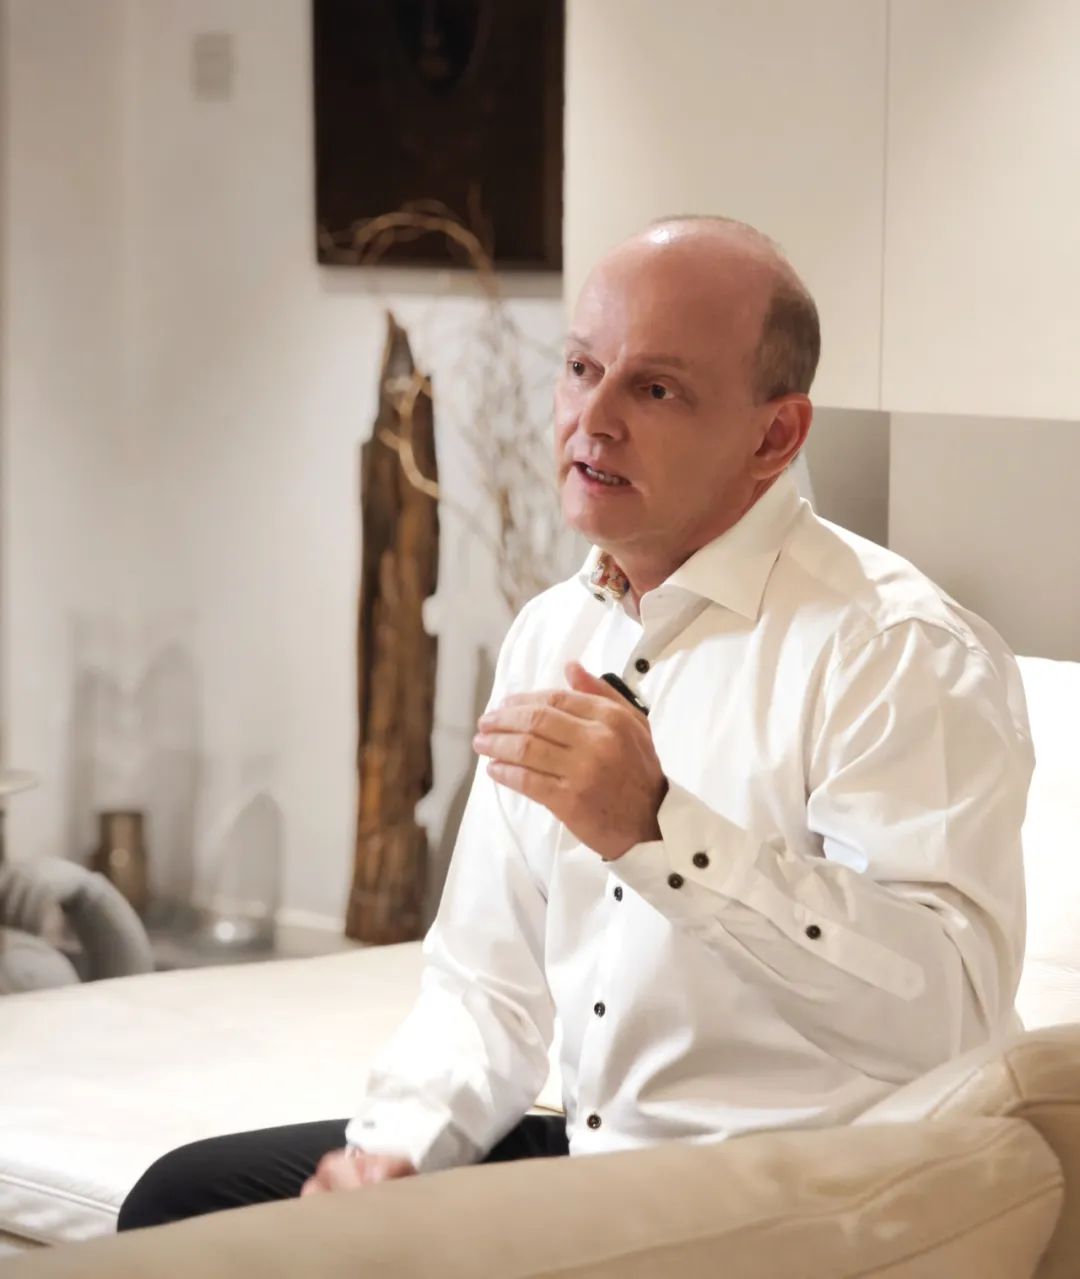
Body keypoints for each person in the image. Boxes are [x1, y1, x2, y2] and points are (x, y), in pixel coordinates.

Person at [118, 216, 1031, 1229]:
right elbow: (485, 983)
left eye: (656, 388)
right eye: (582, 368)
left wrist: (660, 830)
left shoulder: (896, 647)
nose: (592, 420)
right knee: (187, 1201)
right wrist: (397, 1150)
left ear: (775, 436)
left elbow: (946, 1014)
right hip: (599, 1162)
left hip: (801, 1198)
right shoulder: (556, 631)